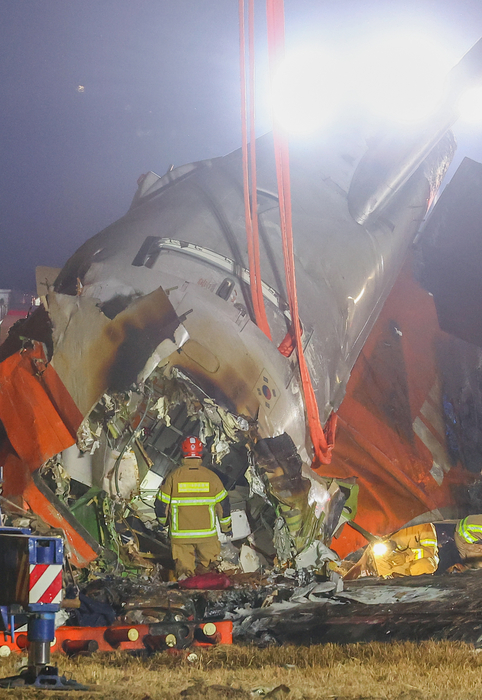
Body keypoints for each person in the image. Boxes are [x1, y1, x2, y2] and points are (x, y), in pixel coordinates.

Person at [155, 436, 232, 578]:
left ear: (182, 454)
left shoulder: (173, 477)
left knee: (185, 577)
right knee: (212, 574)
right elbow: (223, 506)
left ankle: (187, 598)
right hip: (207, 537)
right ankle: (211, 598)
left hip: (180, 537)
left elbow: (161, 505)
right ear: (201, 454)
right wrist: (226, 528)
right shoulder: (212, 477)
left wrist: (162, 523)